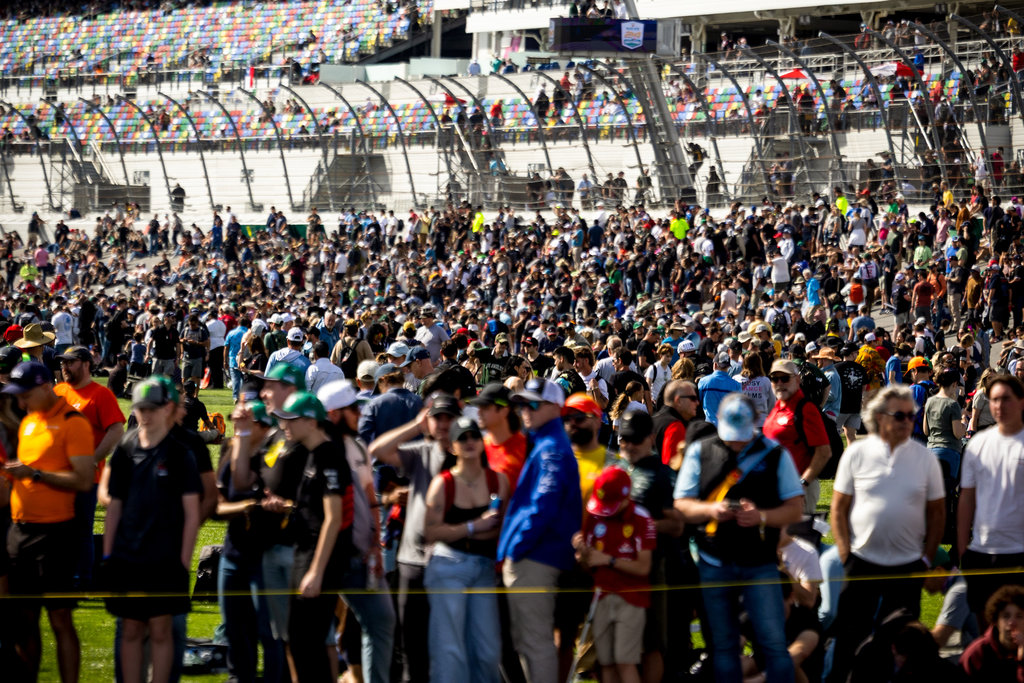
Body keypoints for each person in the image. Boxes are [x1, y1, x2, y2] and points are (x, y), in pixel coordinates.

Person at [674, 392, 804, 683]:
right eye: (731, 437)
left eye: (741, 437)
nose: (736, 443)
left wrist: (761, 517)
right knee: (723, 646)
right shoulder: (700, 451)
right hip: (714, 561)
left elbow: (795, 509)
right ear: (718, 420)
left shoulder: (775, 454)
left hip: (760, 563)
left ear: (755, 422)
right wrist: (711, 510)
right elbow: (681, 505)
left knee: (773, 644)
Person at [828, 384, 946, 683]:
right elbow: (838, 508)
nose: (907, 422)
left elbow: (937, 512)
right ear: (880, 417)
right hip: (861, 563)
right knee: (849, 640)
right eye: (899, 416)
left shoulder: (925, 458)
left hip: (908, 566)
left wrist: (927, 558)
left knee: (901, 644)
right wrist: (845, 553)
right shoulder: (856, 453)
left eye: (911, 416)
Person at [102, 377, 201, 683]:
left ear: (166, 408)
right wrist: (108, 555)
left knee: (161, 629)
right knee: (131, 628)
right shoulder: (125, 448)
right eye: (140, 408)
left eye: (151, 408)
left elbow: (192, 513)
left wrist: (183, 561)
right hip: (128, 556)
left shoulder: (180, 453)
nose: (145, 415)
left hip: (166, 557)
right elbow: (114, 506)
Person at [2, 361, 94, 683]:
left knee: (60, 619)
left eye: (25, 395)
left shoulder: (73, 422)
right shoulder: (28, 421)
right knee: (23, 620)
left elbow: (84, 479)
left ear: (45, 387)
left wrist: (35, 474)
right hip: (19, 532)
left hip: (56, 533)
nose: (20, 401)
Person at [369, 392, 462, 683]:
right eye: (437, 418)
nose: (443, 424)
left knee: (450, 645)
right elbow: (377, 450)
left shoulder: (470, 453)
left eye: (449, 418)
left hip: (453, 563)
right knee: (411, 645)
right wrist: (416, 426)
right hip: (413, 562)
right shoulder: (421, 452)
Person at [499, 378, 582, 683]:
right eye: (522, 404)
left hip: (535, 556)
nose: (525, 410)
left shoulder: (551, 448)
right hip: (536, 554)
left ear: (555, 407)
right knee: (530, 641)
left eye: (532, 404)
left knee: (534, 642)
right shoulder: (548, 443)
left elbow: (544, 503)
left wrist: (518, 547)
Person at [272, 391, 355, 683]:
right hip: (304, 552)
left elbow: (333, 519)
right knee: (299, 639)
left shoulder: (329, 456)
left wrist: (317, 572)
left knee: (307, 641)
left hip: (320, 559)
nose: (285, 425)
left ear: (310, 421)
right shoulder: (309, 453)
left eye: (291, 419)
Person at [317, 380, 394, 683]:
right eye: (352, 409)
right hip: (326, 556)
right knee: (318, 631)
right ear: (334, 413)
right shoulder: (317, 449)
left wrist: (376, 543)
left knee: (380, 621)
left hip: (359, 555)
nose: (359, 414)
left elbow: (370, 497)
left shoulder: (357, 445)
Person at [422, 416, 509, 683]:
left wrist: (474, 530)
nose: (469, 442)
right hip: (448, 565)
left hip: (484, 567)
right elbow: (430, 532)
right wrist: (473, 527)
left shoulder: (498, 481)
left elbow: (502, 529)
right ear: (452, 446)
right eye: (462, 438)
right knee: (449, 649)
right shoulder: (443, 483)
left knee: (488, 650)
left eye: (474, 436)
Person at [215, 400, 285, 683]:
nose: (237, 427)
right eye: (237, 421)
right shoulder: (231, 451)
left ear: (263, 427)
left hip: (265, 554)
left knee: (269, 631)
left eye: (246, 423)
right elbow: (218, 505)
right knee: (235, 628)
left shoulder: (274, 456)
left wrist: (250, 506)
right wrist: (246, 506)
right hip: (233, 553)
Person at [573, 466, 656, 683]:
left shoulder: (641, 519)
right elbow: (587, 564)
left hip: (631, 598)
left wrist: (609, 560)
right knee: (606, 662)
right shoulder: (594, 516)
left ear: (626, 497)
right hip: (601, 595)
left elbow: (644, 567)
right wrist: (582, 553)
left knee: (624, 661)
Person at [54, 345, 126, 591]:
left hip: (86, 478)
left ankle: (81, 580)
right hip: (57, 475)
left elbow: (116, 429)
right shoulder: (59, 391)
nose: (64, 367)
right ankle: (61, 576)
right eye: (63, 363)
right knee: (57, 529)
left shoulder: (100, 394)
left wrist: (94, 459)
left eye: (70, 362)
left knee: (80, 530)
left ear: (86, 364)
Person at [958, 373, 1024, 630]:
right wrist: (963, 549)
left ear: (1021, 401)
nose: (999, 405)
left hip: (1019, 550)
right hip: (983, 551)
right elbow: (967, 499)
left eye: (1006, 399)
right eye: (994, 400)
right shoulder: (977, 445)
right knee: (985, 629)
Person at [762, 359, 831, 513]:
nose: (780, 383)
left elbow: (824, 452)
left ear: (797, 379)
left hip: (797, 488)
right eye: (775, 379)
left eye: (785, 378)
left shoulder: (806, 408)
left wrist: (803, 483)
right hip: (776, 487)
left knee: (798, 528)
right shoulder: (777, 407)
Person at [469, 382, 526, 493]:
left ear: (504, 410)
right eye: (479, 407)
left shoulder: (526, 449)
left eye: (485, 407)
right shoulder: (479, 447)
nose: (479, 412)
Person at [959, 584, 1024, 680]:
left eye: (1019, 616)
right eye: (1006, 616)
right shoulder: (977, 652)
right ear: (996, 621)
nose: (1012, 622)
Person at [697, 352, 741, 427]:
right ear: (728, 367)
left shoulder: (703, 381)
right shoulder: (736, 385)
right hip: (727, 426)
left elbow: (699, 402)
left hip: (709, 425)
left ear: (715, 364)